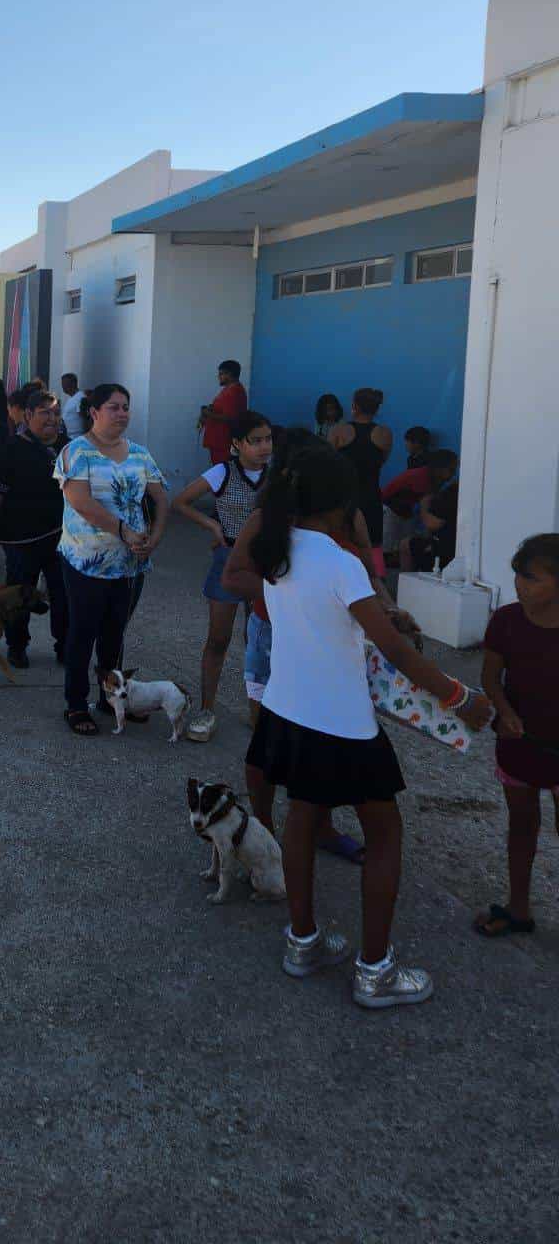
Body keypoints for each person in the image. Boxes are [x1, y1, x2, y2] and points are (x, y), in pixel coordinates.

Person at [245, 447, 488, 1007]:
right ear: (341, 503)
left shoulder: (277, 549)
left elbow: (334, 622)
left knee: (303, 816)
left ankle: (302, 942)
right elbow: (395, 649)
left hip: (287, 711)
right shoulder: (340, 561)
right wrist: (458, 697)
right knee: (384, 833)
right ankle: (375, 971)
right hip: (341, 724)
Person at [224, 428, 421, 866]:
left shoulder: (346, 520)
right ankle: (262, 827)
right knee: (269, 740)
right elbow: (232, 577)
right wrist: (293, 592)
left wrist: (386, 609)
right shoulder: (267, 520)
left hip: (335, 640)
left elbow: (368, 578)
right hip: (273, 636)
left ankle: (320, 825)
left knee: (323, 738)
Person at [55, 384, 169, 736]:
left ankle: (110, 697)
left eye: (126, 407)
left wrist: (155, 538)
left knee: (114, 633)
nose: (122, 413)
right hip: (86, 562)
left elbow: (162, 499)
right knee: (83, 633)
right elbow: (81, 502)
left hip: (130, 564)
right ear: (94, 412)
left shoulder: (139, 453)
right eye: (114, 407)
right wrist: (123, 530)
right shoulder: (77, 452)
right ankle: (76, 704)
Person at [474, 533, 559, 938]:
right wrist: (504, 711)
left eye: (532, 578)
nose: (520, 585)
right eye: (518, 576)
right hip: (518, 746)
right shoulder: (505, 620)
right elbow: (491, 675)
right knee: (522, 825)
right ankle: (519, 908)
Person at [171, 411, 274, 742]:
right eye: (255, 441)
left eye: (267, 440)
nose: (263, 447)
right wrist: (213, 525)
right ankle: (206, 710)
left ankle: (260, 711)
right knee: (218, 639)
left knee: (260, 641)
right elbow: (182, 501)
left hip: (266, 566)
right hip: (228, 560)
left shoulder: (279, 477)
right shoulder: (222, 472)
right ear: (236, 444)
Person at [0, 389, 68, 668]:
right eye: (45, 413)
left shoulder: (71, 447)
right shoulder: (11, 449)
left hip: (63, 539)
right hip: (20, 539)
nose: (52, 419)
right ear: (27, 415)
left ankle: (65, 646)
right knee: (18, 597)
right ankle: (17, 646)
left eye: (56, 413)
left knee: (64, 596)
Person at [329, 387, 392, 548]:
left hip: (343, 497)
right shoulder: (385, 434)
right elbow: (381, 461)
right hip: (371, 497)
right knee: (372, 546)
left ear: (354, 406)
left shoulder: (338, 431)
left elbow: (327, 463)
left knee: (341, 544)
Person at [383, 448, 456, 563]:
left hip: (405, 510)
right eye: (451, 470)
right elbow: (426, 506)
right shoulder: (421, 477)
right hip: (390, 508)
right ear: (439, 468)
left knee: (402, 547)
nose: (453, 474)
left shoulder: (436, 479)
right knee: (388, 549)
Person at [401, 456, 460, 573]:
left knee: (405, 544)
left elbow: (432, 524)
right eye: (451, 470)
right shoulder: (426, 479)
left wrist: (424, 507)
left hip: (446, 551)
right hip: (448, 543)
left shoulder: (453, 491)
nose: (453, 474)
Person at [198, 360, 247, 466]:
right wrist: (211, 409)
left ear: (229, 374)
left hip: (224, 442)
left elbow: (230, 418)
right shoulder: (228, 389)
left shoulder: (234, 391)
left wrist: (207, 413)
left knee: (223, 473)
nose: (218, 377)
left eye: (221, 374)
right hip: (218, 442)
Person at [59, 373, 86, 440]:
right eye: (62, 383)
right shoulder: (71, 398)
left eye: (65, 383)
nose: (63, 386)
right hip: (69, 437)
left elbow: (84, 418)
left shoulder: (80, 397)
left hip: (77, 437)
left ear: (73, 383)